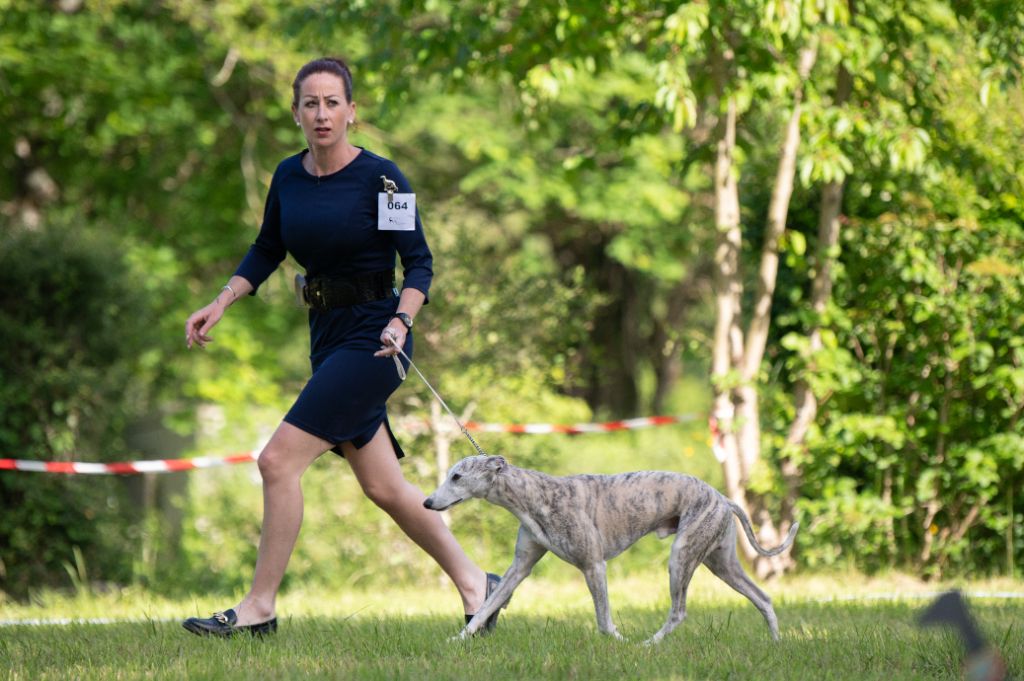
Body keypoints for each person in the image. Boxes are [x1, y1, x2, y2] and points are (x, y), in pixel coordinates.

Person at [181, 57, 500, 637]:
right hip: (326, 336)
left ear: (352, 111)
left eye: (333, 102)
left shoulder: (382, 180)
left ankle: (259, 609)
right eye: (311, 103)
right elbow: (267, 249)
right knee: (383, 486)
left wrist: (402, 321)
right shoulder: (288, 177)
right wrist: (222, 301)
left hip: (377, 340)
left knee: (276, 461)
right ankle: (479, 584)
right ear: (297, 113)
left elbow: (419, 264)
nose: (322, 114)